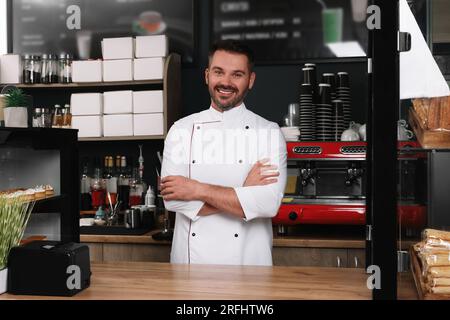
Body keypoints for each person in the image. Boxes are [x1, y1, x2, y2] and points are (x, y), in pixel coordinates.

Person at [160, 40, 287, 266]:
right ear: (207, 75)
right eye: (219, 72)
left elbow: (267, 203)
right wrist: (244, 194)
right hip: (191, 268)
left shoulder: (268, 132)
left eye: (237, 74)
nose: (226, 82)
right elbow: (173, 202)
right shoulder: (181, 130)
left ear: (251, 80)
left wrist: (197, 189)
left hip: (248, 266)